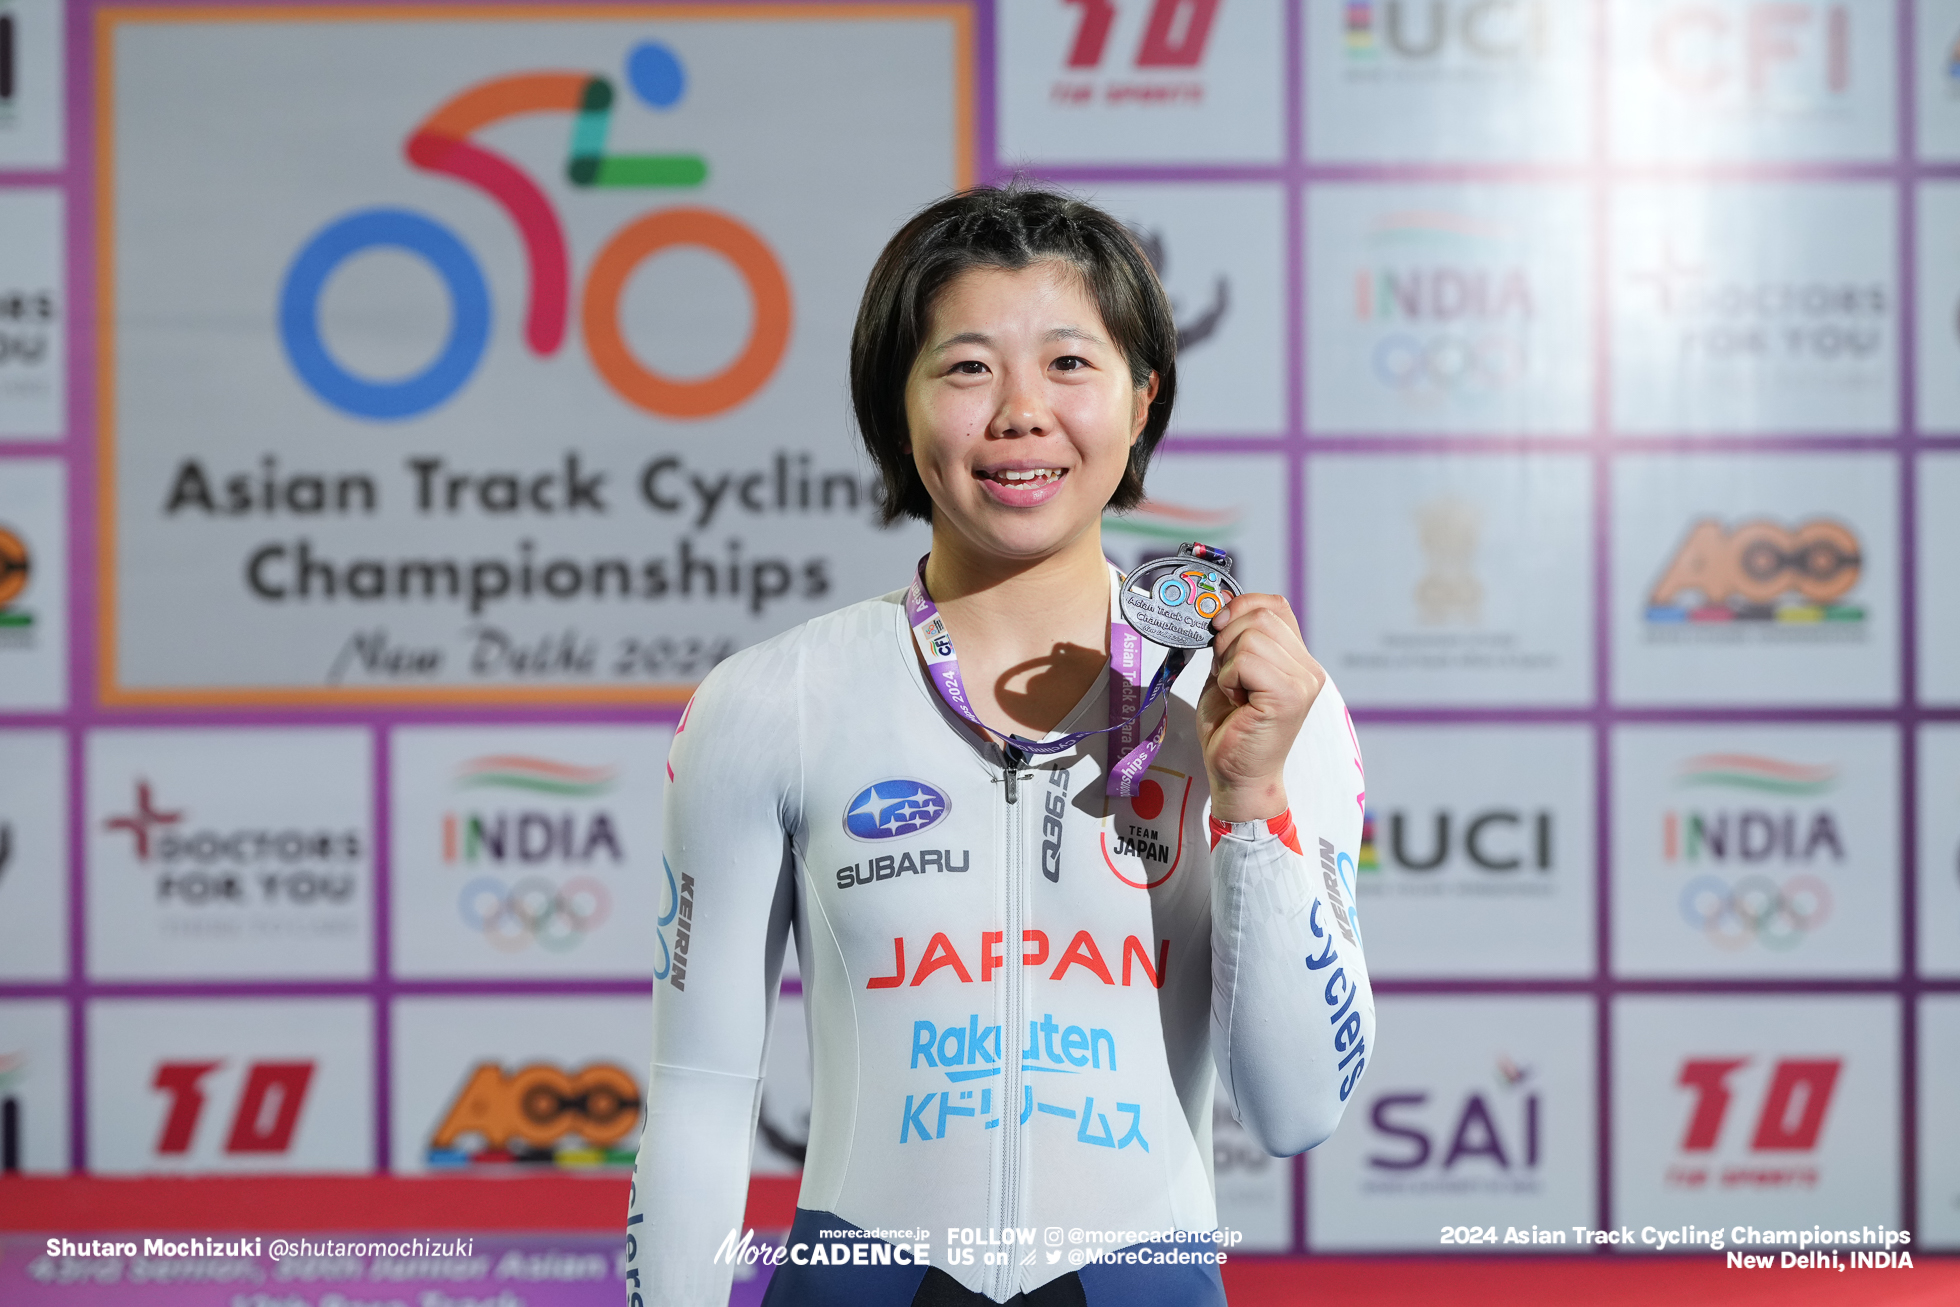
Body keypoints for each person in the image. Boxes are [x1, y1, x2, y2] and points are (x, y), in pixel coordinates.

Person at [624, 185, 1373, 1307]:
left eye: (1070, 363)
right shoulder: (770, 700)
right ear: (898, 403)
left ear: (1141, 397)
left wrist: (1252, 797)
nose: (1021, 412)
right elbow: (695, 1094)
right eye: (968, 367)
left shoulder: (1260, 699)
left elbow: (1298, 1107)